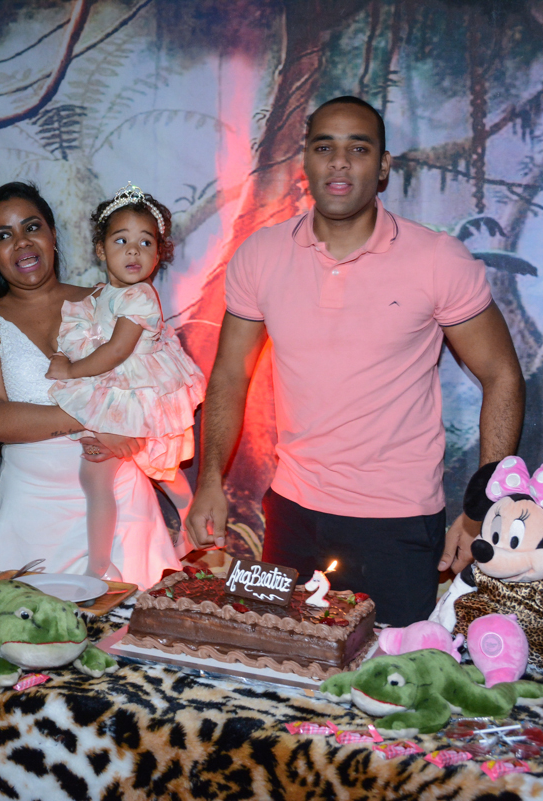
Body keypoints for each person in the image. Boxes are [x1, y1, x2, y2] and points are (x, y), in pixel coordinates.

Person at [184, 96, 525, 626]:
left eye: (358, 148)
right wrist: (210, 482)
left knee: (390, 686)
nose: (339, 162)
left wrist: (483, 506)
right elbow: (230, 373)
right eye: (325, 147)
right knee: (287, 667)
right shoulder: (260, 255)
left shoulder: (438, 260)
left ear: (383, 166)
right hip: (291, 512)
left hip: (397, 521)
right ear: (306, 161)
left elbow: (502, 375)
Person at [0, 181, 181, 589]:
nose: (22, 243)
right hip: (30, 515)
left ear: (53, 235)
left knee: (120, 643)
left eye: (32, 227)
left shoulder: (109, 300)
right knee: (23, 636)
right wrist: (96, 416)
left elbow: (156, 384)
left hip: (119, 503)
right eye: (4, 235)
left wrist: (128, 431)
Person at [46, 184, 207, 580]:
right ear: (101, 249)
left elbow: (117, 351)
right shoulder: (100, 294)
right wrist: (67, 352)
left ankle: (192, 528)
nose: (133, 251)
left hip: (140, 391)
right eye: (121, 240)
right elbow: (89, 338)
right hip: (118, 389)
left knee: (161, 472)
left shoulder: (141, 296)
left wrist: (70, 371)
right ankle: (102, 564)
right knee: (105, 472)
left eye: (145, 242)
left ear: (158, 254)